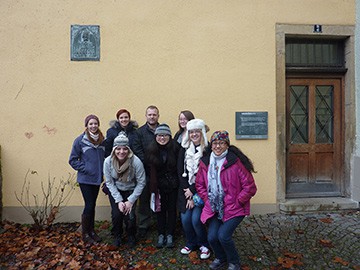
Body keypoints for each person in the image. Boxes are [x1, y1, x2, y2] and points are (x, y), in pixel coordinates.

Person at [195, 131, 257, 270]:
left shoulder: (235, 162)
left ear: (227, 145)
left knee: (223, 236)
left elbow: (250, 187)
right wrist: (207, 198)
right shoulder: (205, 163)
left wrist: (238, 201)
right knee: (212, 238)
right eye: (215, 143)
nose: (218, 146)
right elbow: (199, 184)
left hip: (235, 207)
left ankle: (234, 262)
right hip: (215, 207)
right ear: (211, 146)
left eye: (222, 143)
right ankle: (221, 258)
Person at [103, 132, 146, 247]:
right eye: (118, 149)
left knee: (130, 215)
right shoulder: (108, 161)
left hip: (131, 190)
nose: (121, 152)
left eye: (124, 149)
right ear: (114, 149)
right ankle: (117, 235)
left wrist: (130, 200)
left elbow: (141, 182)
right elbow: (109, 182)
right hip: (116, 190)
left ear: (128, 149)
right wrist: (118, 200)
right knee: (117, 214)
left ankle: (131, 234)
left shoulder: (135, 161)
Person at [69, 114, 105, 244]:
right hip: (85, 179)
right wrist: (86, 168)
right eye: (91, 124)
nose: (93, 126)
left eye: (95, 123)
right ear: (87, 126)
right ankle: (85, 234)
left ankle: (92, 231)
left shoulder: (102, 140)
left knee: (92, 205)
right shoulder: (80, 140)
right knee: (89, 205)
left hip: (97, 179)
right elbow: (72, 160)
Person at [177, 119, 211, 259]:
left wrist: (192, 191)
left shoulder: (208, 150)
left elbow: (204, 175)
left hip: (201, 192)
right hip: (186, 192)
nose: (194, 134)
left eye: (197, 131)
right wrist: (188, 192)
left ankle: (204, 245)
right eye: (191, 132)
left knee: (196, 219)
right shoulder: (184, 149)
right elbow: (180, 171)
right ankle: (191, 243)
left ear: (202, 132)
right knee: (185, 219)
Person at [146, 124, 180, 248]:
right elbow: (148, 169)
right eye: (160, 135)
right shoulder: (150, 149)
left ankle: (170, 234)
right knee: (160, 211)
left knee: (171, 210)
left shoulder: (176, 148)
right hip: (158, 186)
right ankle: (161, 234)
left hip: (172, 185)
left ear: (169, 136)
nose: (162, 138)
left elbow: (179, 167)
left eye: (165, 135)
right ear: (156, 136)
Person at [132, 105, 160, 238]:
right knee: (144, 199)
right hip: (144, 172)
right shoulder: (140, 132)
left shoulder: (163, 130)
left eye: (154, 114)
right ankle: (143, 225)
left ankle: (160, 224)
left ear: (158, 116)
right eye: (149, 114)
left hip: (160, 171)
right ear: (146, 116)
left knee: (160, 198)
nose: (152, 117)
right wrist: (150, 163)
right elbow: (137, 151)